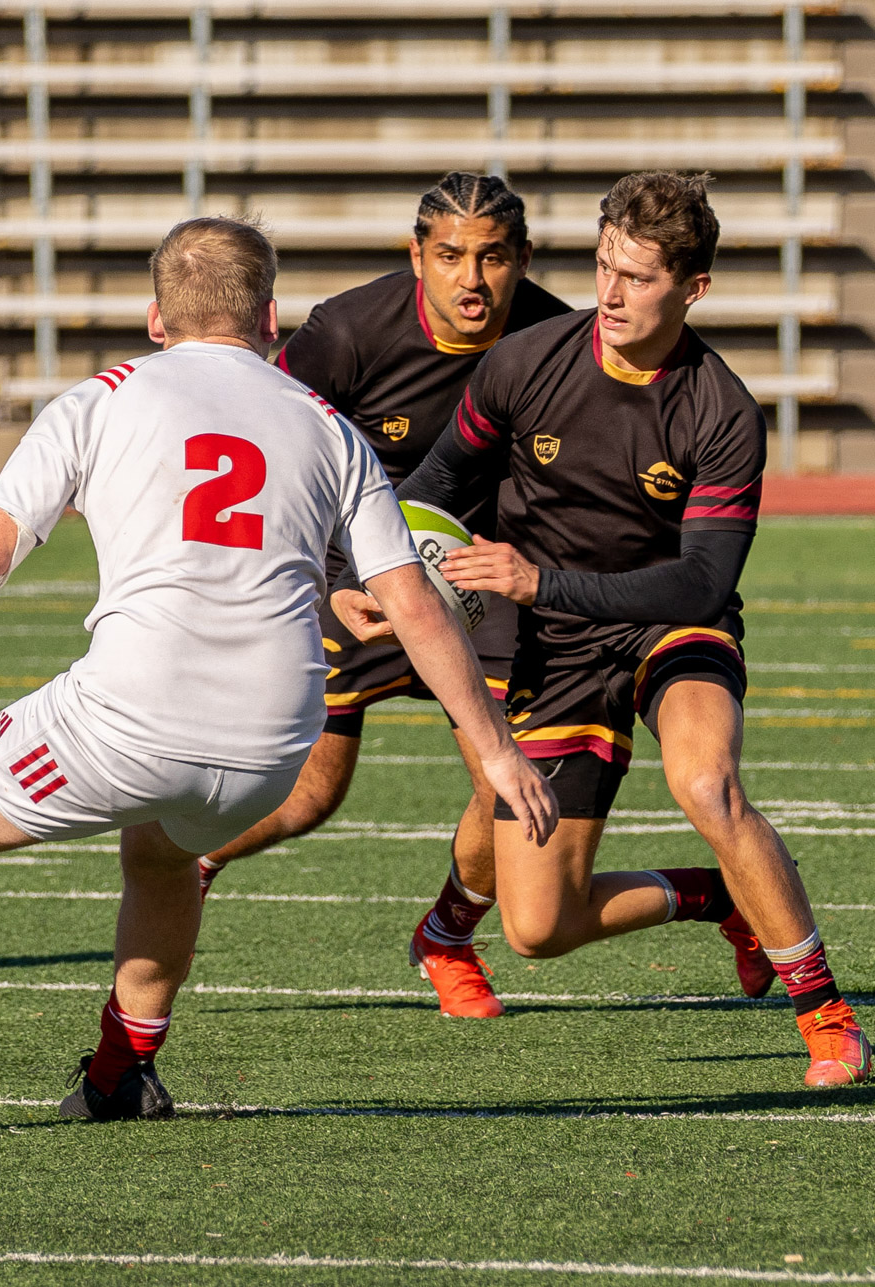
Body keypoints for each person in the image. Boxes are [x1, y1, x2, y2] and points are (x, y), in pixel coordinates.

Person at [0, 216, 557, 1122]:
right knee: (164, 856)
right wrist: (497, 749)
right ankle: (120, 1074)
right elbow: (417, 607)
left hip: (133, 718)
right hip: (274, 743)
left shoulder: (102, 398)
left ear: (156, 318)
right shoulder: (328, 430)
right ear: (273, 319)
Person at [342, 171, 868, 1088]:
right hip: (557, 646)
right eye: (602, 267)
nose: (612, 294)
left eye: (638, 277)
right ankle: (712, 897)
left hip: (673, 625)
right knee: (538, 928)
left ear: (692, 288)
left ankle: (825, 1012)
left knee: (707, 781)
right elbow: (431, 491)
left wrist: (541, 578)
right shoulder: (523, 363)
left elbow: (704, 576)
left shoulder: (721, 410)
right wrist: (381, 580)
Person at [194, 172, 570, 1021]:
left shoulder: (556, 336)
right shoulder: (350, 330)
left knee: (508, 778)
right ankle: (194, 860)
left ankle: (447, 933)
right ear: (417, 257)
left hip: (481, 591)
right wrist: (328, 583)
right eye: (450, 256)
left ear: (523, 261)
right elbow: (270, 439)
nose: (471, 279)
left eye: (493, 257)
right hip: (354, 576)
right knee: (311, 794)